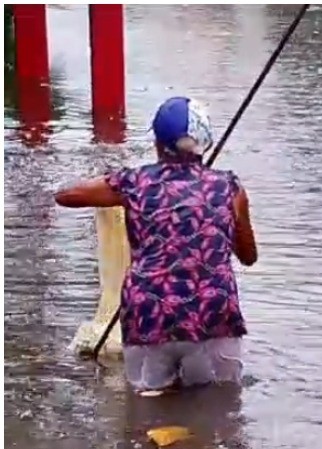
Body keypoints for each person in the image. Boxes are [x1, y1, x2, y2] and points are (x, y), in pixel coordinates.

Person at [55, 96, 257, 393]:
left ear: (158, 143)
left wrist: (121, 186)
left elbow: (66, 195)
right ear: (206, 143)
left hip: (149, 317)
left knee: (146, 408)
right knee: (221, 408)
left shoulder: (134, 183)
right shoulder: (229, 188)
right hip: (214, 318)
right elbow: (249, 256)